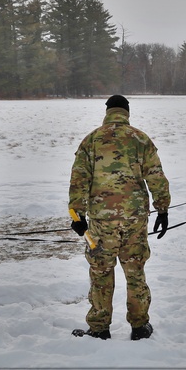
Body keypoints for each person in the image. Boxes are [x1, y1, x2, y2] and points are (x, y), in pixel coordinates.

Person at [69, 95, 170, 341]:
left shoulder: (92, 140)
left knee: (101, 271)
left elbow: (78, 178)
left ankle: (100, 327)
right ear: (127, 112)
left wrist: (76, 214)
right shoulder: (140, 139)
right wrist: (163, 209)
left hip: (102, 222)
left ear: (107, 112)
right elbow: (156, 176)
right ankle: (140, 326)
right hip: (135, 219)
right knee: (135, 269)